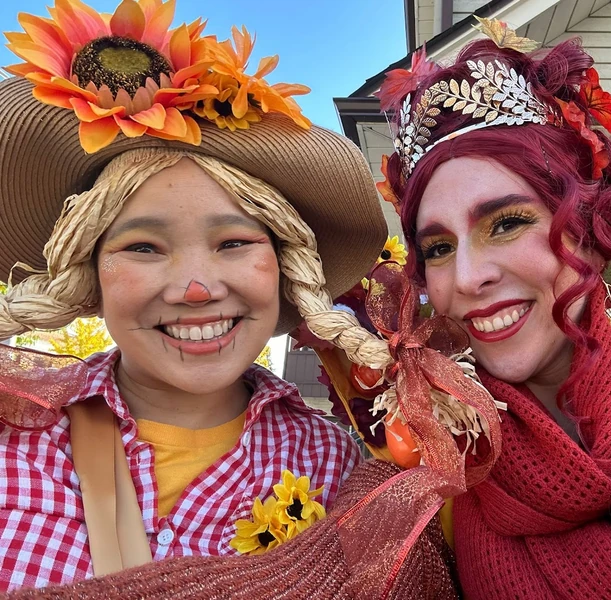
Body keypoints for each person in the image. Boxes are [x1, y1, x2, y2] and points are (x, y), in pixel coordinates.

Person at [6, 15, 611, 600]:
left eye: (509, 221)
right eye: (439, 248)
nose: (473, 275)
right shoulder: (420, 487)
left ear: (593, 228)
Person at [0, 0, 400, 592]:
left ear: (286, 265)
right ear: (88, 269)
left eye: (234, 242)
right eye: (143, 247)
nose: (196, 288)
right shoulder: (14, 435)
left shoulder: (337, 467)